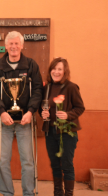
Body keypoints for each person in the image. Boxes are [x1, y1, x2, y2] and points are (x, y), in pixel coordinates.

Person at [0, 31, 43, 196]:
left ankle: (28, 192)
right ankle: (6, 192)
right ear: (5, 46)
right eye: (10, 44)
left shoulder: (31, 65)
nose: (13, 47)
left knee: (27, 160)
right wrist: (1, 111)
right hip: (4, 120)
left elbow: (38, 89)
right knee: (3, 160)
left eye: (16, 43)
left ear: (22, 45)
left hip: (25, 120)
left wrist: (31, 111)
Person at [40, 57, 85, 196]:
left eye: (60, 69)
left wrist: (68, 115)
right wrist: (43, 113)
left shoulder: (71, 87)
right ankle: (58, 193)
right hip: (50, 132)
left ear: (65, 71)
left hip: (67, 132)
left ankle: (68, 194)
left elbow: (80, 108)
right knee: (55, 166)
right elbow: (41, 107)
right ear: (50, 71)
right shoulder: (46, 87)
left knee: (66, 165)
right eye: (54, 69)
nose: (56, 72)